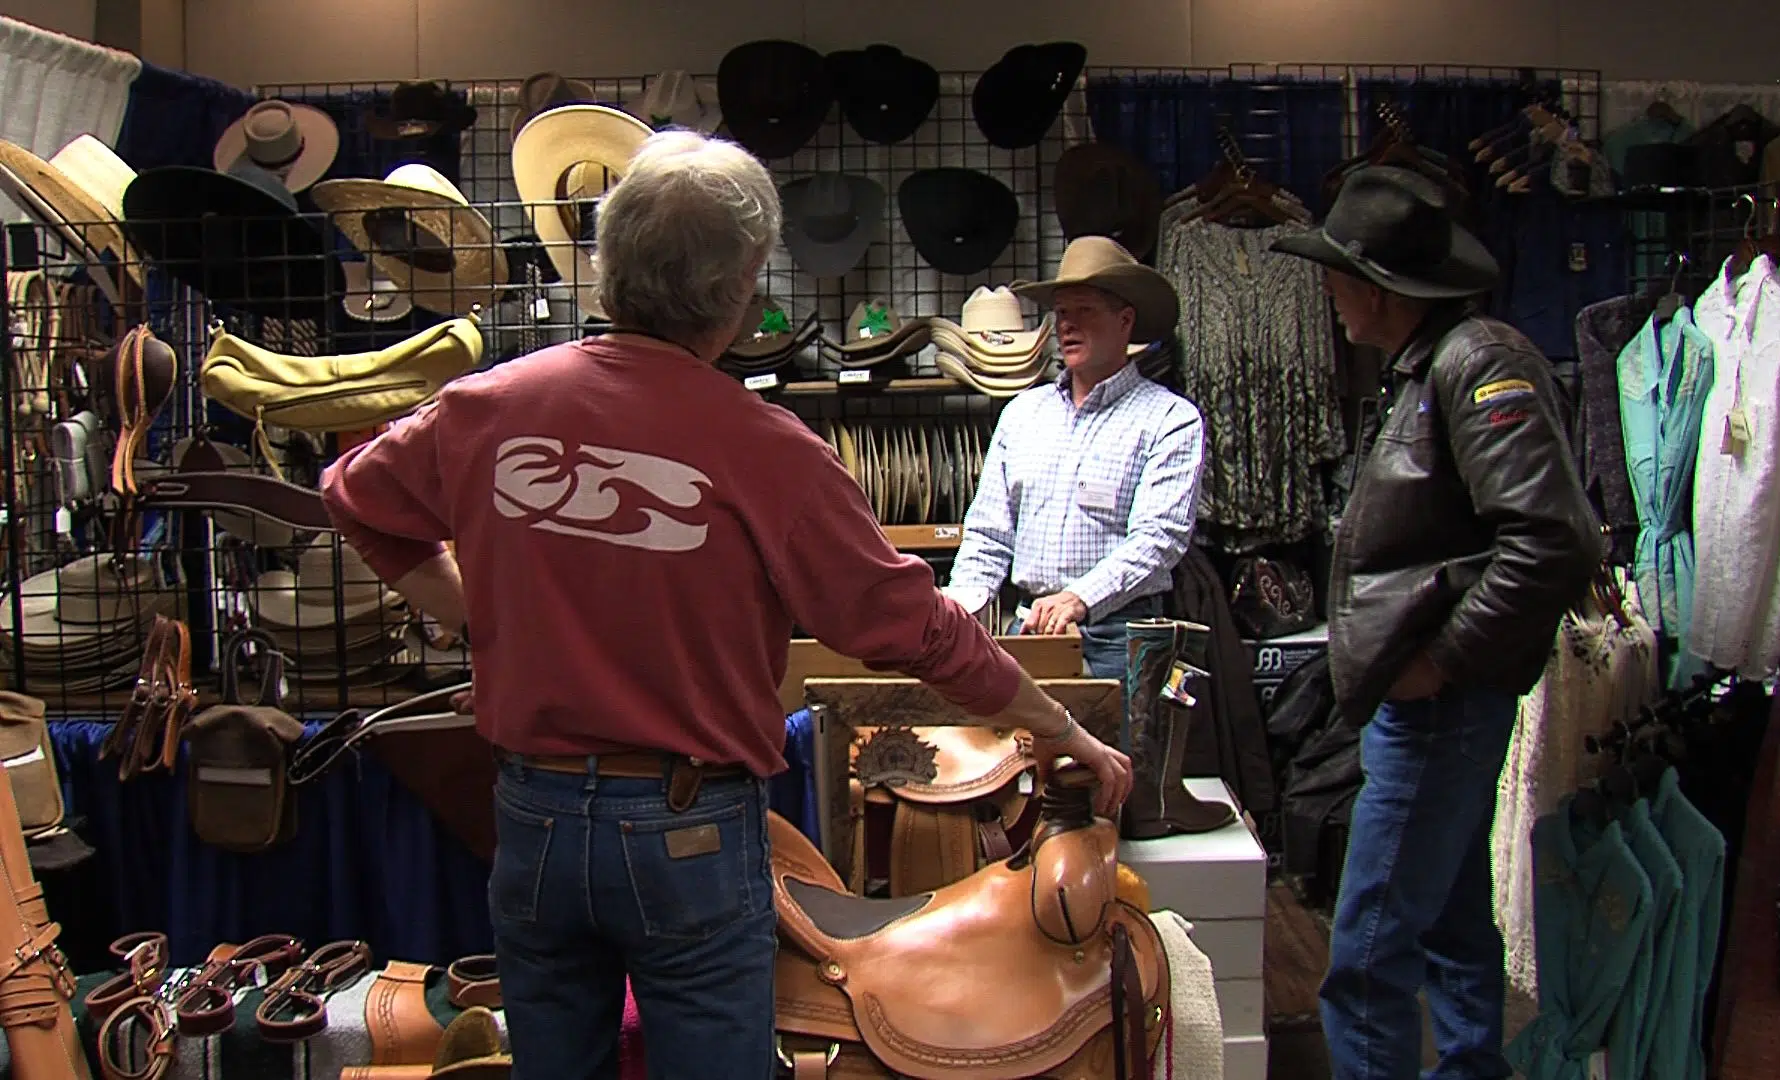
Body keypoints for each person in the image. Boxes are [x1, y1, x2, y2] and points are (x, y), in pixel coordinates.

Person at [319, 128, 1133, 1080]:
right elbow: (917, 628)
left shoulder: (489, 405)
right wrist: (1056, 726)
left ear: (606, 260)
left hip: (532, 817)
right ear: (742, 290)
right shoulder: (768, 449)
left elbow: (357, 502)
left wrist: (481, 619)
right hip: (686, 831)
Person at [1269, 166, 1601, 1080]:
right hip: (1419, 704)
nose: (1327, 291)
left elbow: (1551, 543)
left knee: (1368, 956)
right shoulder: (1430, 366)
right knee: (1452, 926)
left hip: (1437, 708)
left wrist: (1446, 660)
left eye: (1336, 273)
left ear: (1375, 286)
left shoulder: (1476, 362)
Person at [943, 236, 1204, 680]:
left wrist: (1080, 597)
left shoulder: (1169, 419)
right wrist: (959, 608)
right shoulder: (1023, 414)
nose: (1067, 325)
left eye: (1085, 311)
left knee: (1118, 750)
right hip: (1027, 630)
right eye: (1062, 312)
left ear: (1125, 321)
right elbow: (988, 533)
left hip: (1121, 635)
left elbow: (1159, 539)